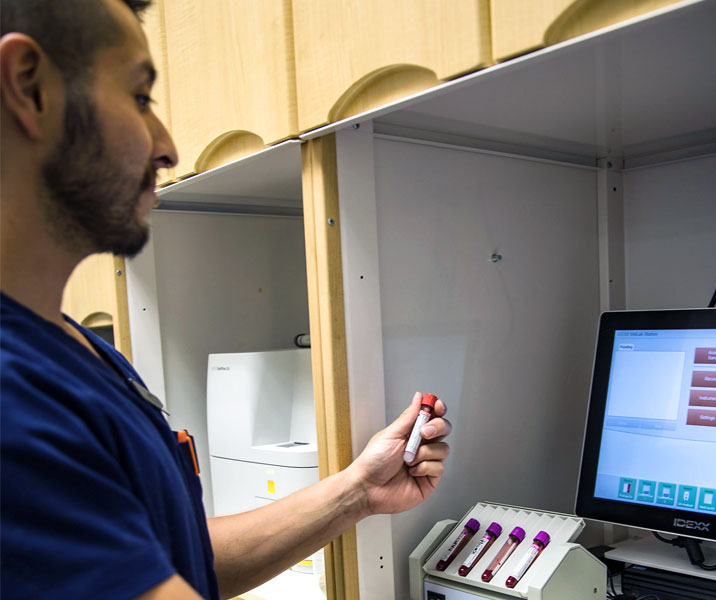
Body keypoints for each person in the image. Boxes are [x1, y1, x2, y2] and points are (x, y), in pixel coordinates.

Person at [0, 0, 452, 597]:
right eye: (140, 98)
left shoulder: (71, 348)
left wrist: (358, 492)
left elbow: (168, 561)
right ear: (30, 87)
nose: (166, 147)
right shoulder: (15, 397)